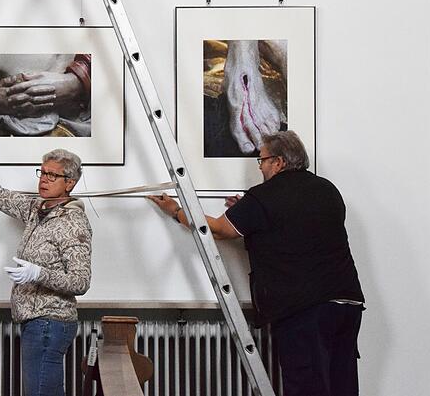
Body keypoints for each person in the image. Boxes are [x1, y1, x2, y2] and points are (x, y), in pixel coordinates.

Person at [148, 131, 364, 396]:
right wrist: (248, 212)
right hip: (347, 303)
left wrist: (175, 211)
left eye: (261, 160)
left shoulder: (265, 196)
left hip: (305, 310)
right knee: (342, 386)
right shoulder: (328, 190)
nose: (259, 166)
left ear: (279, 162)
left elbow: (216, 229)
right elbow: (296, 227)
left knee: (307, 387)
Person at [0, 125, 92, 396]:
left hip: (51, 322)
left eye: (52, 175)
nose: (43, 179)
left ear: (69, 183)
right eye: (42, 172)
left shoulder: (73, 222)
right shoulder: (37, 209)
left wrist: (38, 273)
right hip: (36, 321)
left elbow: (81, 282)